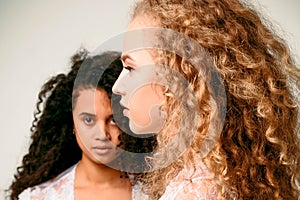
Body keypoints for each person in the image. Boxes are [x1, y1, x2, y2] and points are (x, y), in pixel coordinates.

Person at [112, 0, 300, 199]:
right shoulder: (219, 175)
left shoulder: (195, 191)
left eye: (131, 68)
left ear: (182, 76)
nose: (117, 87)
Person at [9, 49, 152, 200]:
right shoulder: (40, 197)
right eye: (88, 120)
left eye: (114, 121)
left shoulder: (156, 192)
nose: (102, 134)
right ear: (71, 123)